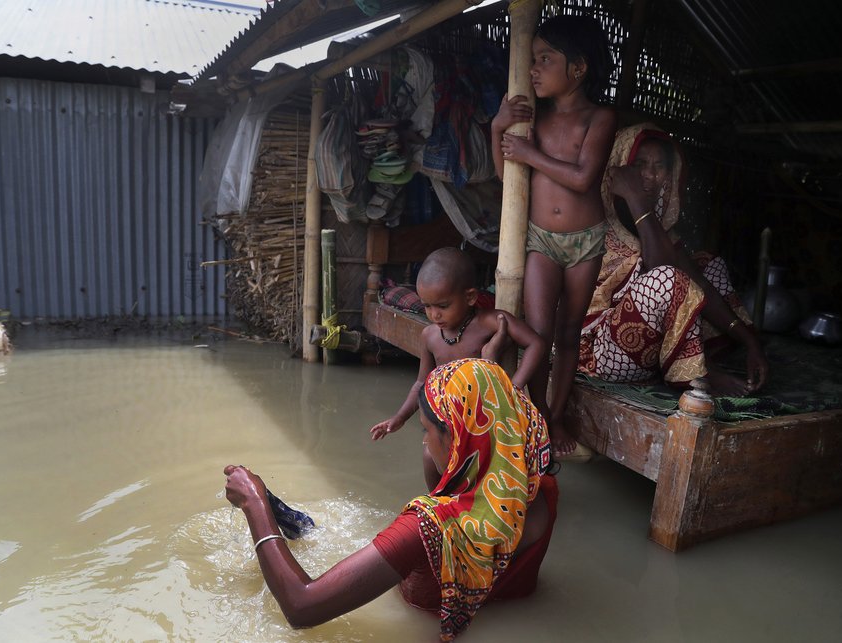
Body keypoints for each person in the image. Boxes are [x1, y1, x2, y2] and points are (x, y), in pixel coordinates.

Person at [223, 358, 557, 641]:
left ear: (460, 440)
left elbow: (301, 607)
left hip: (420, 618)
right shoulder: (539, 486)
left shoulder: (425, 528)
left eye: (426, 431)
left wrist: (255, 503)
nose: (424, 445)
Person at [491, 14, 618, 457]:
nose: (534, 68)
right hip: (541, 239)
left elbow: (584, 178)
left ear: (578, 68)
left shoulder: (600, 118)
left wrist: (529, 152)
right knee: (539, 333)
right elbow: (504, 177)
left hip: (586, 240)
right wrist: (498, 129)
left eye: (545, 58)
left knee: (568, 334)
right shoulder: (532, 118)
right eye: (533, 58)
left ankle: (555, 417)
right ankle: (533, 411)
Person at [578, 122, 769, 395]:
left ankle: (688, 361)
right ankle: (697, 373)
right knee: (667, 279)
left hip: (648, 350)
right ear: (619, 167)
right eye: (639, 164)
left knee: (709, 266)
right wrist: (634, 197)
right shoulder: (595, 217)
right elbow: (663, 272)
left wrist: (751, 343)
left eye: (659, 166)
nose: (649, 175)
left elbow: (698, 282)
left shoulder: (660, 230)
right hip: (602, 353)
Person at [369, 246, 546, 441]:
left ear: (470, 297)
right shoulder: (430, 336)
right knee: (430, 457)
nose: (434, 314)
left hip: (486, 418)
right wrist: (399, 418)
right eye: (427, 306)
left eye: (443, 306)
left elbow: (535, 344)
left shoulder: (490, 322)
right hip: (448, 420)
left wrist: (515, 388)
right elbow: (421, 382)